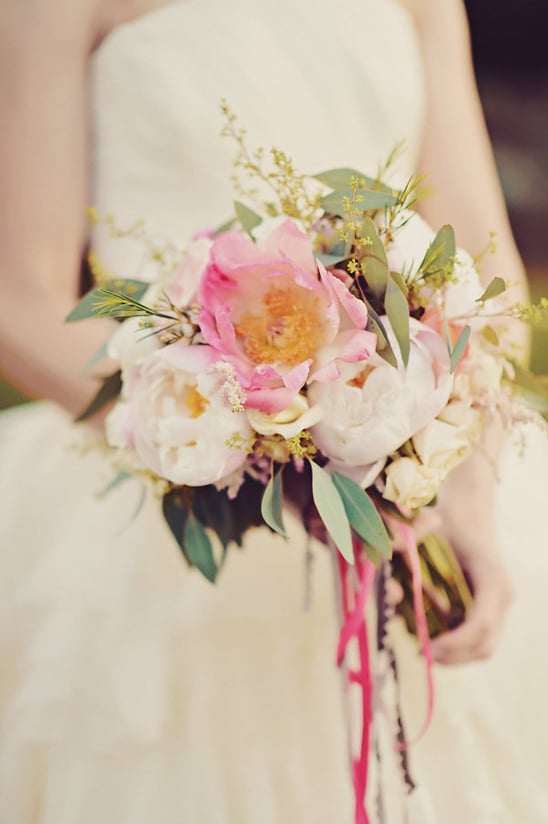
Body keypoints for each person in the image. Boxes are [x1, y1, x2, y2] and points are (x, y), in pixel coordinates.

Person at [0, 1, 546, 822]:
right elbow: (21, 298)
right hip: (167, 483)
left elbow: (484, 267)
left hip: (403, 481)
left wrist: (460, 489)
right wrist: (236, 440)